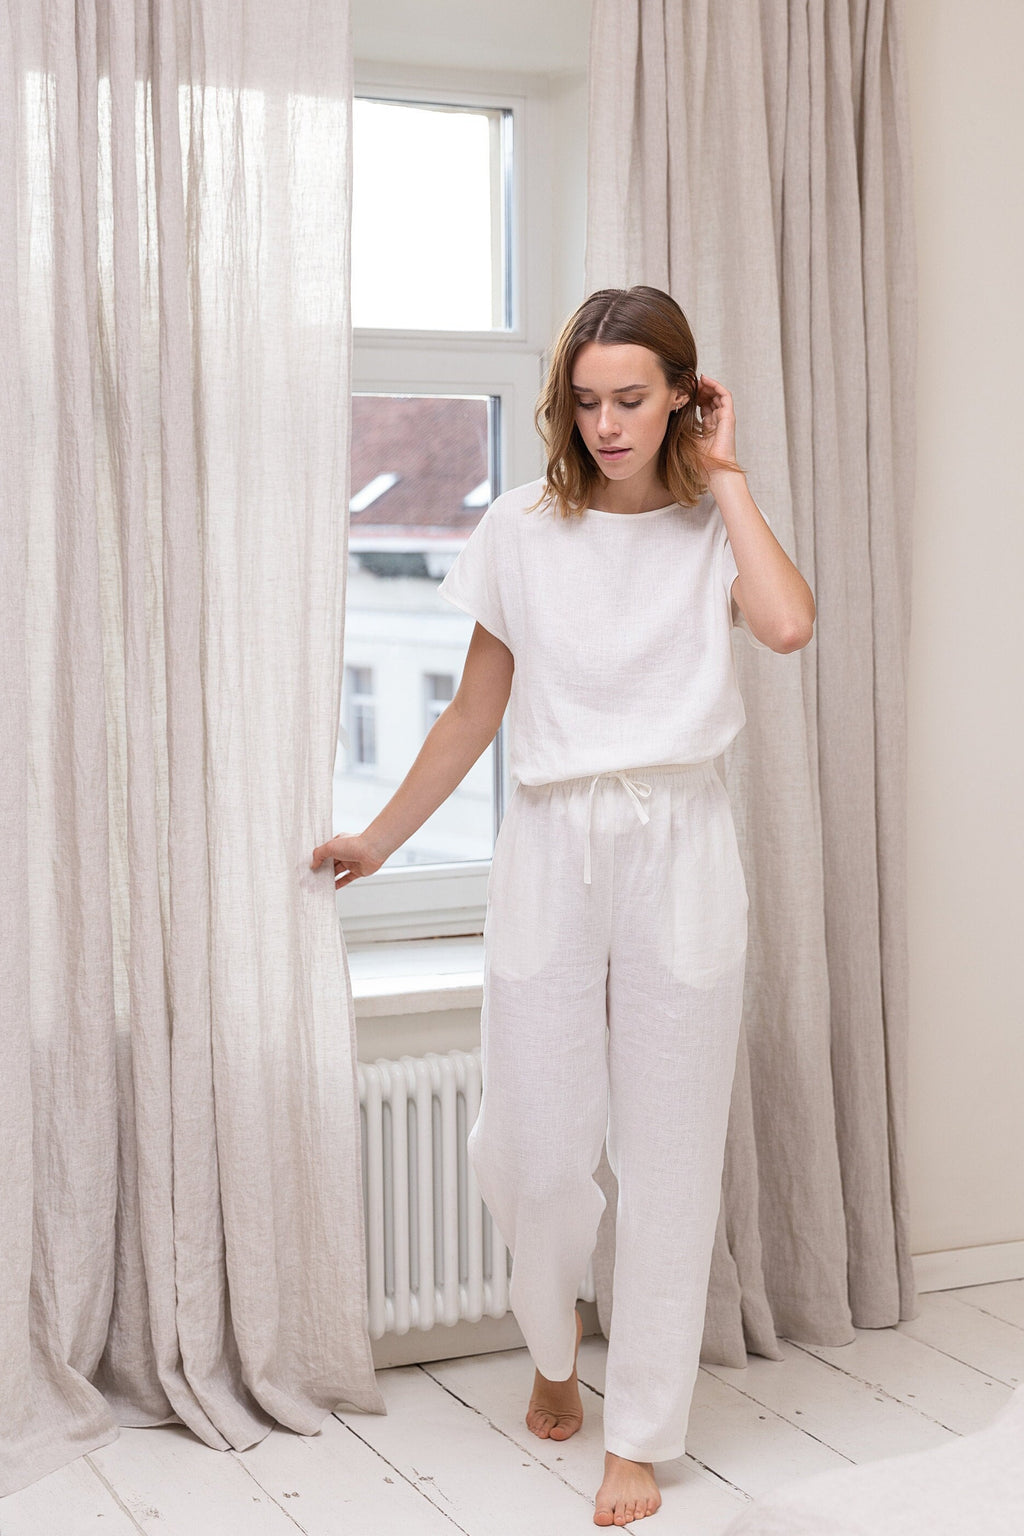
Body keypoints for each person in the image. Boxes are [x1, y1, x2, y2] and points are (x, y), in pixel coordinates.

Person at [311, 285, 815, 1527]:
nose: (605, 423)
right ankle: (550, 1349)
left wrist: (730, 473)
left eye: (632, 398)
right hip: (548, 843)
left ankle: (637, 1430)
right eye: (585, 401)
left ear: (683, 397)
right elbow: (473, 711)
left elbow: (788, 626)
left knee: (670, 1155)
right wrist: (379, 838)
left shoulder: (712, 527)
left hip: (680, 842)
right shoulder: (523, 530)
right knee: (534, 1147)